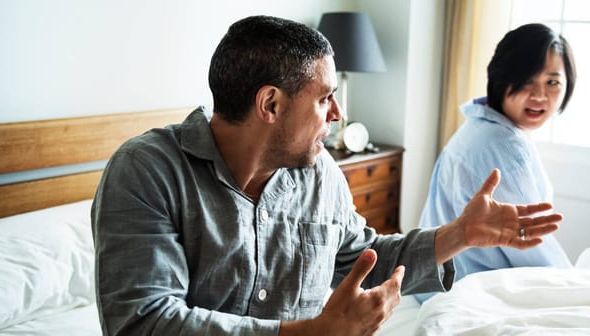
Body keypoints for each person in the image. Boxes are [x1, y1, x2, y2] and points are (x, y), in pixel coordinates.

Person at [91, 15, 563, 336]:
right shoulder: (147, 172)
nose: (338, 113)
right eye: (324, 98)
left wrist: (459, 235)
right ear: (271, 104)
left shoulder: (320, 176)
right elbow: (144, 321)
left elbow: (363, 257)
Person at [414, 23, 576, 303]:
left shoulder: (478, 126)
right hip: (472, 294)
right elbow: (534, 250)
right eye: (527, 80)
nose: (539, 95)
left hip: (435, 283)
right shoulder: (504, 147)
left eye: (552, 82)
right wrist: (574, 290)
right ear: (502, 79)